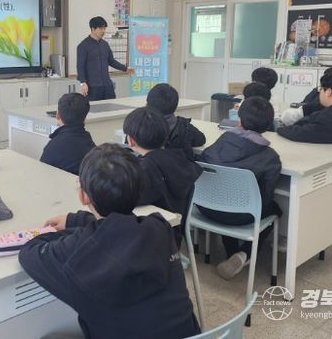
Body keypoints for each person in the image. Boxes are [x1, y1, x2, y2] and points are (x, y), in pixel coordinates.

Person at [19, 144, 201, 339]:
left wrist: (75, 231)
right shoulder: (160, 228)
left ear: (83, 196)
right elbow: (119, 228)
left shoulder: (79, 252)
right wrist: (78, 221)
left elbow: (30, 252)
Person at [197, 96, 282, 280]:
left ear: (239, 119)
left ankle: (231, 254)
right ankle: (244, 254)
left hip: (206, 209)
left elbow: (203, 162)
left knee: (229, 197)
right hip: (239, 215)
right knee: (275, 208)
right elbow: (266, 198)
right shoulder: (270, 158)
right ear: (268, 125)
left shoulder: (221, 142)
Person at [123, 107, 202, 218]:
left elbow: (127, 200)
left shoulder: (146, 169)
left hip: (154, 226)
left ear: (130, 140)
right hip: (174, 225)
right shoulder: (179, 158)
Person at [277, 71, 332, 145]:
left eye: (321, 89)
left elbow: (299, 133)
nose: (319, 92)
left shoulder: (331, 116)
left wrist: (279, 128)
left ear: (328, 92)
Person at [76, 16, 133, 101]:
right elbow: (80, 66)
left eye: (104, 28)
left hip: (107, 85)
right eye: (100, 28)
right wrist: (82, 83)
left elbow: (111, 61)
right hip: (92, 87)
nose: (103, 31)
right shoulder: (83, 46)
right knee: (94, 108)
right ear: (92, 29)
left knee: (112, 106)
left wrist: (125, 68)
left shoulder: (105, 44)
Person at [146, 83, 205, 160]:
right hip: (182, 167)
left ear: (148, 104)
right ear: (175, 106)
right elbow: (201, 140)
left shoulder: (139, 126)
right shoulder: (184, 127)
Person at [40, 93, 96, 175]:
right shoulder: (91, 145)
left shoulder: (53, 147)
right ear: (85, 117)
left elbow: (42, 172)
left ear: (57, 115)